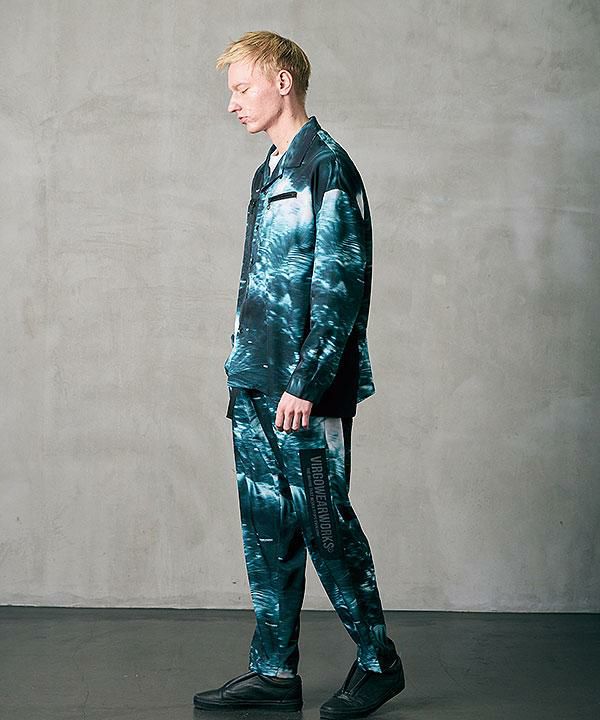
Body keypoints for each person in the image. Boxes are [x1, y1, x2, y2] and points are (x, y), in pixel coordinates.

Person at [193, 31, 406, 718]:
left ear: (282, 82)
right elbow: (258, 285)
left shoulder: (328, 168)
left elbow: (340, 292)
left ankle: (378, 662)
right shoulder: (269, 170)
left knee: (324, 526)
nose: (232, 103)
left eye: (242, 88)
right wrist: (240, 371)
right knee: (267, 530)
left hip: (303, 395)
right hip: (255, 384)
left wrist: (306, 385)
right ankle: (274, 672)